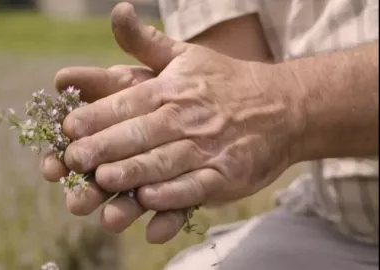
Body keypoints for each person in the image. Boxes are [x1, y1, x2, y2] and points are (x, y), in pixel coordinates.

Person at [40, 1, 379, 269]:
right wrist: (171, 117)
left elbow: (260, 102)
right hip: (344, 227)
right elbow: (227, 87)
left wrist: (288, 102)